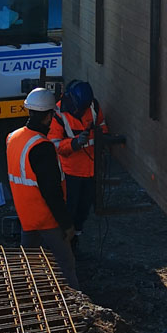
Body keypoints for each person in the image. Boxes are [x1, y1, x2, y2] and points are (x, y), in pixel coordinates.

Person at [6, 86, 78, 289]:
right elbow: (51, 192)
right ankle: (76, 303)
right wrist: (66, 223)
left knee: (29, 264)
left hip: (25, 215)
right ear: (48, 117)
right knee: (66, 264)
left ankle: (27, 295)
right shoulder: (42, 147)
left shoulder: (13, 137)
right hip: (46, 218)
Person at [49, 79, 106, 251]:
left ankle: (76, 239)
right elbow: (55, 144)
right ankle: (66, 244)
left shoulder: (93, 106)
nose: (81, 112)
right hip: (70, 172)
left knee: (83, 209)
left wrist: (103, 138)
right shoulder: (58, 114)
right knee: (69, 210)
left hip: (90, 169)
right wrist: (74, 143)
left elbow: (102, 126)